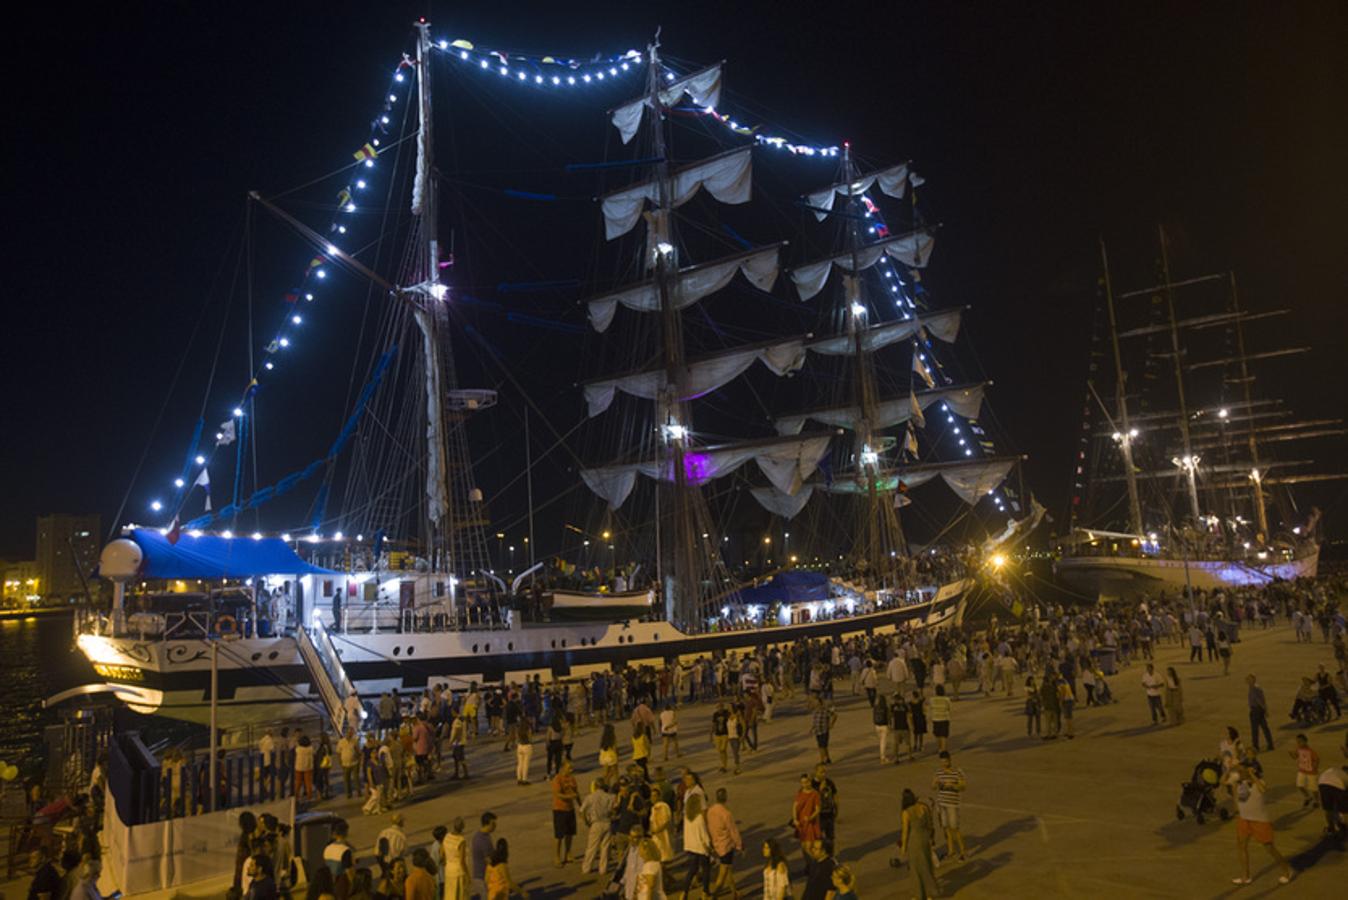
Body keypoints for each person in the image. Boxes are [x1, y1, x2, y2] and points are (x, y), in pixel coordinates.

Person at [1227, 763, 1293, 885]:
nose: (1239, 773)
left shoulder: (1259, 782)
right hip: (1244, 819)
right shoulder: (1239, 783)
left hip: (1259, 821)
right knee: (1241, 846)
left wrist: (1252, 775)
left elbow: (1263, 789)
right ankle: (1245, 876)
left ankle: (1286, 871)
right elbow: (1227, 785)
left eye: (1242, 771)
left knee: (1270, 848)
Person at [899, 789, 940, 900]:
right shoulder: (924, 807)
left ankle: (918, 894)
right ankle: (930, 894)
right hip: (925, 840)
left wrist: (903, 848)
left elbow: (905, 832)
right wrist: (930, 839)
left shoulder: (906, 812)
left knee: (915, 869)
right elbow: (930, 825)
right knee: (926, 866)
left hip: (914, 842)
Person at [706, 787, 743, 899]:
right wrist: (739, 845)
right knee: (723, 871)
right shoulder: (726, 813)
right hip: (726, 845)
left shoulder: (710, 811)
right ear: (725, 798)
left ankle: (734, 892)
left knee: (728, 869)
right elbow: (733, 830)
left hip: (716, 843)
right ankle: (715, 895)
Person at [932, 750, 967, 860]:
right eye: (942, 761)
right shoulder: (939, 772)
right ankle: (950, 850)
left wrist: (952, 785)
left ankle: (963, 852)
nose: (944, 763)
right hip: (942, 803)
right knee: (946, 828)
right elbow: (933, 787)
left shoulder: (957, 772)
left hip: (952, 804)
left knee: (954, 828)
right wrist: (935, 783)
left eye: (946, 761)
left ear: (950, 760)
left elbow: (963, 787)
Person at [678, 793, 713, 899]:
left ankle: (684, 892)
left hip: (691, 847)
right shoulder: (699, 818)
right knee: (706, 870)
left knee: (692, 870)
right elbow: (704, 835)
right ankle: (705, 892)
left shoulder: (687, 818)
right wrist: (709, 846)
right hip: (700, 848)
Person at [581, 779, 616, 874]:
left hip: (596, 823)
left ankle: (586, 868)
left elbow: (582, 811)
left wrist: (586, 821)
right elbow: (614, 809)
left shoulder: (590, 797)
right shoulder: (610, 797)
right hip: (607, 822)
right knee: (605, 847)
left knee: (592, 847)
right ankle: (603, 869)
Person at [551, 759, 579, 866]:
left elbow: (576, 792)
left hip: (570, 809)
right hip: (559, 809)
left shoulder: (572, 779)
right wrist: (569, 797)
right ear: (563, 768)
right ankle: (557, 856)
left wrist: (581, 806)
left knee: (570, 833)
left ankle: (568, 853)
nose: (571, 770)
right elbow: (557, 794)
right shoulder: (557, 779)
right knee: (559, 835)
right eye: (569, 768)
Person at [792, 773, 822, 863]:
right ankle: (809, 865)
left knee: (809, 847)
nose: (805, 784)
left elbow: (818, 809)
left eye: (806, 782)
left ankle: (817, 863)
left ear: (810, 782)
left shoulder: (815, 794)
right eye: (803, 782)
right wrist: (795, 819)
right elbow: (794, 806)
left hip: (810, 823)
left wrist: (810, 817)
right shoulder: (800, 792)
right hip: (801, 823)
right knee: (803, 847)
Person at [469, 813, 497, 900]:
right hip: (482, 878)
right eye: (493, 824)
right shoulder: (483, 840)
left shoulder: (479, 835)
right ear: (488, 824)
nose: (495, 826)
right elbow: (488, 860)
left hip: (480, 877)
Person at [1288, 734, 1321, 808]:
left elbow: (1317, 759)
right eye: (1298, 742)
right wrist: (1291, 754)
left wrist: (1315, 767)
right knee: (1300, 785)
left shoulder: (1311, 751)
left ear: (1305, 741)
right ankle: (1307, 797)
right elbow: (1295, 757)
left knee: (1313, 788)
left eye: (1300, 742)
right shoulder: (1298, 749)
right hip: (1302, 770)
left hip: (1311, 772)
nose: (1299, 743)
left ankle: (1316, 800)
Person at [440, 817, 469, 900]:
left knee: (449, 895)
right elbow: (462, 861)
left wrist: (446, 862)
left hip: (449, 870)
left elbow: (441, 853)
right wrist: (468, 875)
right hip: (458, 871)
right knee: (460, 895)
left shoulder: (447, 836)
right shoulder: (461, 840)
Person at [1246, 674, 1274, 751]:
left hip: (1256, 710)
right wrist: (1265, 710)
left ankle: (1255, 746)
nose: (1248, 681)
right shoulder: (1257, 688)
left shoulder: (1254, 689)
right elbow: (1263, 700)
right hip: (1259, 710)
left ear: (1253, 680)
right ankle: (1270, 744)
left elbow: (1259, 700)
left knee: (1255, 729)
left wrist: (1264, 709)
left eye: (1249, 680)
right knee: (1265, 728)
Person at [648, 785, 675, 865]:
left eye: (655, 796)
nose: (653, 798)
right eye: (652, 796)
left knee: (663, 859)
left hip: (663, 836)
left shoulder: (664, 806)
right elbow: (651, 821)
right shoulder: (653, 808)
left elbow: (667, 821)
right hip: (655, 837)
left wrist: (658, 830)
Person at [809, 696, 837, 765]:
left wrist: (831, 724)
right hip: (817, 731)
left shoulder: (825, 710)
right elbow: (815, 721)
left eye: (816, 703)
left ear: (820, 703)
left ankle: (823, 760)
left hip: (824, 730)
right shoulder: (815, 711)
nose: (814, 704)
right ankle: (827, 758)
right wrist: (812, 728)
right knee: (822, 746)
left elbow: (834, 715)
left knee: (822, 746)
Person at [927, 685, 953, 752]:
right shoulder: (947, 699)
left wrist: (929, 718)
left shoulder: (932, 699)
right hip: (945, 719)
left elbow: (930, 709)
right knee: (944, 735)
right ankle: (944, 750)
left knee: (938, 735)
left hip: (936, 719)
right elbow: (949, 709)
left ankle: (940, 748)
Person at [711, 702, 731, 772]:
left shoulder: (726, 713)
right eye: (718, 707)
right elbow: (713, 724)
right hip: (717, 734)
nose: (719, 708)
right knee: (720, 751)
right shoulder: (715, 714)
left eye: (720, 706)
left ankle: (724, 766)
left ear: (723, 707)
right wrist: (711, 734)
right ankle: (723, 765)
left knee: (723, 749)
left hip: (725, 734)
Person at [514, 721, 533, 785]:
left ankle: (519, 778)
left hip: (520, 746)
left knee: (520, 763)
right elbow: (530, 738)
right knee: (526, 764)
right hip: (527, 746)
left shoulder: (518, 729)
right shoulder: (528, 728)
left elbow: (516, 738)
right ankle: (524, 779)